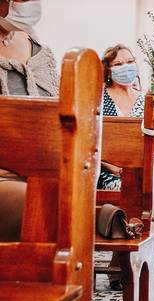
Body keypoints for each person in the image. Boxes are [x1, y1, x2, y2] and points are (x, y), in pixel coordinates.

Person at [0, 0, 55, 241]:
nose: (31, 4)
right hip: (6, 174)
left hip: (45, 169)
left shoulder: (39, 50)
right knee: (44, 202)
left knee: (72, 197)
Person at [100, 44, 146, 290]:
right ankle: (125, 267)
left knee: (149, 192)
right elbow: (91, 141)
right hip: (106, 170)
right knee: (129, 192)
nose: (125, 67)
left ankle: (127, 265)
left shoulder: (145, 98)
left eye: (129, 62)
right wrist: (113, 168)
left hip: (138, 172)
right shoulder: (100, 97)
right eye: (118, 64)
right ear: (108, 70)